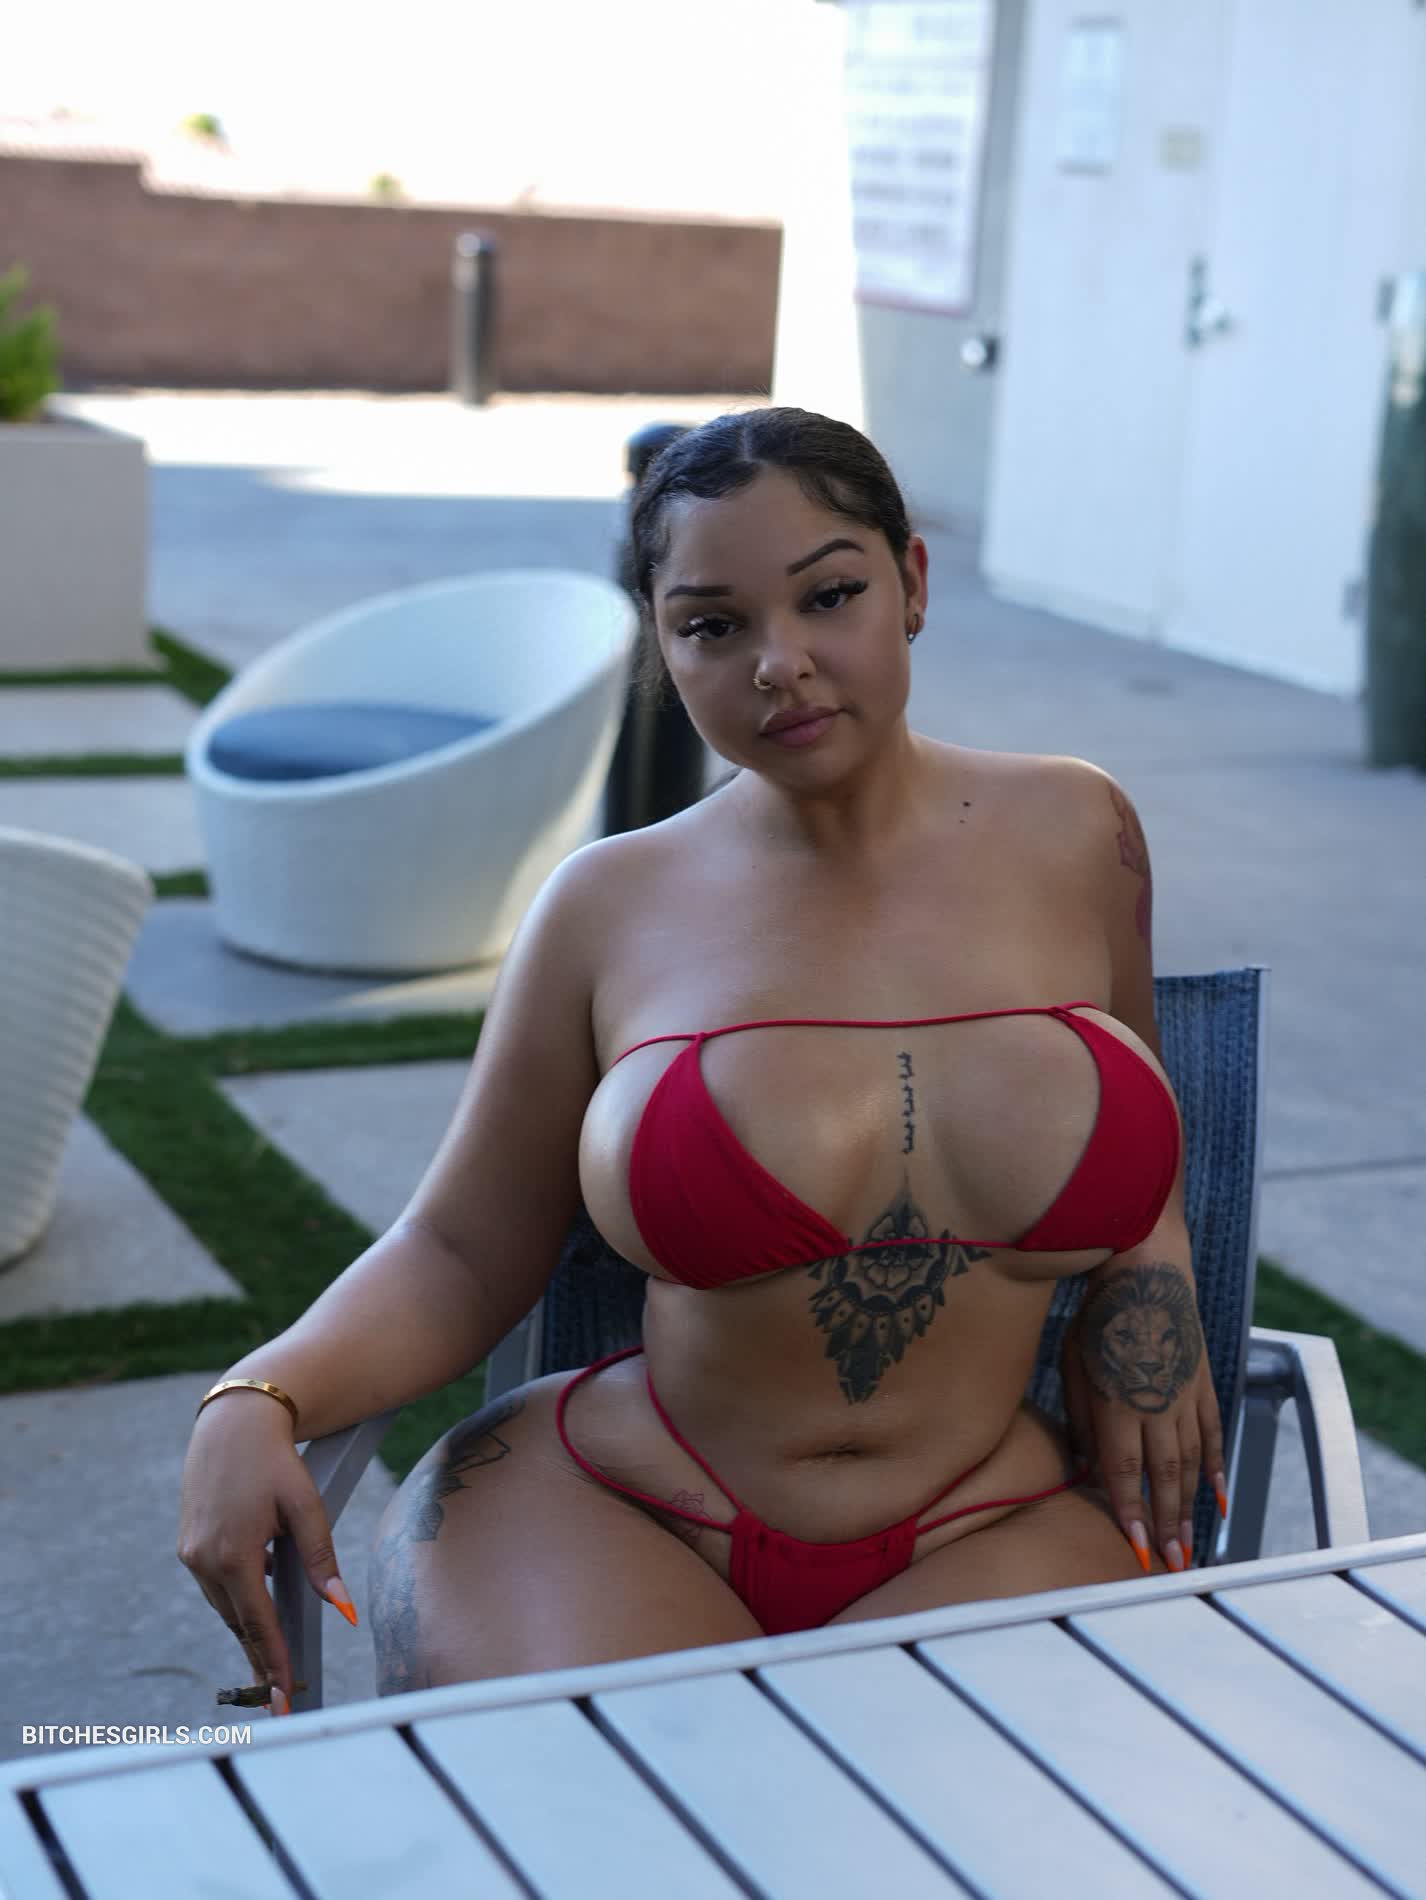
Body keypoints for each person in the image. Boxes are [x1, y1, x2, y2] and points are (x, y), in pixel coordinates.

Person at [178, 407, 1227, 1712]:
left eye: (828, 596)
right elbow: (458, 1250)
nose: (780, 664)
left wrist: (1153, 1287)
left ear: (910, 582)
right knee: (626, 1802)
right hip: (615, 1507)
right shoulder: (605, 904)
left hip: (991, 1520)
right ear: (661, 647)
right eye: (713, 625)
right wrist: (259, 1396)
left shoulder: (1080, 828)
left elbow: (1140, 1128)